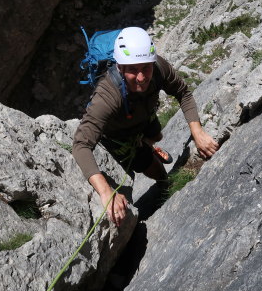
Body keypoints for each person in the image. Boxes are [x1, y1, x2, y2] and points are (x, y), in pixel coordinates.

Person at [72, 27, 219, 226]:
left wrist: (197, 132)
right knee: (148, 166)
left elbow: (182, 92)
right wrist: (106, 192)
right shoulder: (107, 96)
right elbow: (81, 144)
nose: (141, 77)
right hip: (119, 135)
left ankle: (150, 145)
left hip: (144, 115)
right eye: (132, 70)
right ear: (120, 67)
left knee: (156, 135)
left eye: (145, 68)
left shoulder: (158, 67)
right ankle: (161, 178)